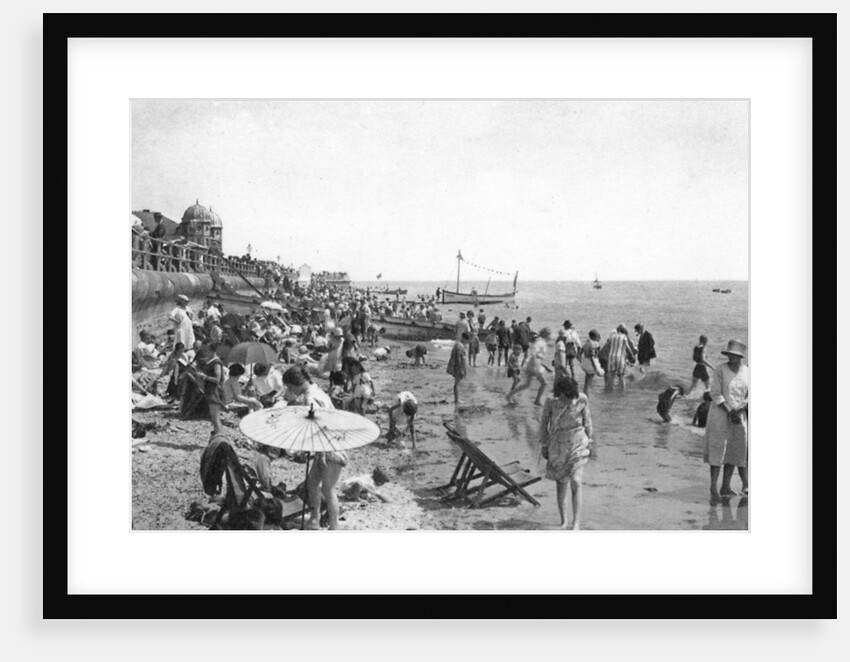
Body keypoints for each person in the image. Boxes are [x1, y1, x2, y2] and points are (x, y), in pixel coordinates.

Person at [281, 366, 345, 530]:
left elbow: (321, 426)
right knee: (313, 483)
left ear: (295, 384)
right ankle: (315, 520)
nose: (290, 390)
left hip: (329, 448)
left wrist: (321, 455)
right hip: (327, 445)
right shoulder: (317, 392)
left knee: (328, 488)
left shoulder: (311, 399)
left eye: (289, 387)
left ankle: (334, 525)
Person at [538, 376, 593, 530]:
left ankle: (576, 523)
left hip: (578, 443)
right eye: (565, 395)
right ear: (560, 393)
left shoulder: (582, 399)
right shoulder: (551, 401)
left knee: (576, 481)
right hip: (557, 446)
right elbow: (543, 424)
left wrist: (591, 440)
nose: (569, 399)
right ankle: (564, 521)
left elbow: (587, 421)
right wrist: (544, 445)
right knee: (561, 484)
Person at [704, 340, 749, 500]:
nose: (732, 357)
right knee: (718, 450)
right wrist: (729, 410)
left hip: (739, 416)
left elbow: (749, 395)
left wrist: (741, 408)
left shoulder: (747, 371)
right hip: (720, 414)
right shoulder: (720, 369)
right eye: (730, 354)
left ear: (741, 357)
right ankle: (713, 488)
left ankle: (726, 486)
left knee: (733, 451)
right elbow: (715, 393)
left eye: (735, 355)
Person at [507, 327, 553, 405]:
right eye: (549, 334)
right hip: (534, 365)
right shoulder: (540, 342)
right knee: (544, 383)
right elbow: (534, 353)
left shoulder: (541, 341)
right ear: (546, 334)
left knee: (527, 385)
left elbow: (538, 355)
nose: (550, 336)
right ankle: (537, 401)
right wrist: (536, 365)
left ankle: (509, 395)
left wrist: (545, 367)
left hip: (533, 365)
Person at [194, 344, 225, 436]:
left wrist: (205, 377)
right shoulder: (211, 361)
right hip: (210, 391)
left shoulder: (216, 362)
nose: (205, 352)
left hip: (214, 392)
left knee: (215, 418)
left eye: (207, 350)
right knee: (214, 418)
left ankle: (220, 437)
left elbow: (217, 379)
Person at [603, 325, 635, 392]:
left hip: (611, 357)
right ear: (624, 332)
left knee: (611, 375)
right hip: (619, 358)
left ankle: (610, 391)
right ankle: (622, 392)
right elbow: (627, 348)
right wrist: (632, 355)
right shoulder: (624, 337)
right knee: (621, 376)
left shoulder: (613, 336)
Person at [447, 332, 470, 406]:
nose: (467, 343)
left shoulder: (458, 345)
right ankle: (457, 400)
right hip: (458, 367)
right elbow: (458, 358)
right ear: (464, 339)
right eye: (467, 341)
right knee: (457, 383)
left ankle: (457, 399)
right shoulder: (460, 346)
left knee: (457, 383)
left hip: (457, 366)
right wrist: (461, 369)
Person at [579, 330, 603, 394]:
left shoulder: (587, 343)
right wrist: (596, 368)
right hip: (591, 363)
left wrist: (581, 361)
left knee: (586, 382)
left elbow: (578, 354)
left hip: (585, 362)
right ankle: (587, 399)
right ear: (596, 336)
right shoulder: (595, 344)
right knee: (589, 383)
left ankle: (585, 396)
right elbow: (592, 356)